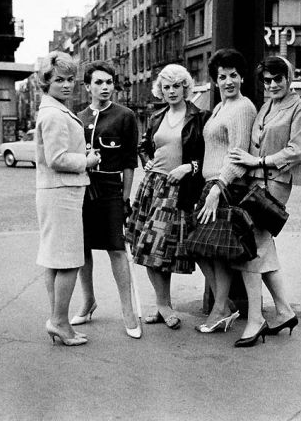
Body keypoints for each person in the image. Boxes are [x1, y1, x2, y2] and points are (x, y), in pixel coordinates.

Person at [229, 55, 301, 347]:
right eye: (267, 80)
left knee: (251, 248)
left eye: (278, 79)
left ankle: (255, 319)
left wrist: (259, 161)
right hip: (254, 182)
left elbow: (297, 150)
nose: (273, 84)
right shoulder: (265, 106)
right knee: (262, 248)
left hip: (276, 183)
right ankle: (284, 311)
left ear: (289, 79)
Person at [125, 64, 207, 330]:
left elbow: (206, 155)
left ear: (186, 87)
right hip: (152, 187)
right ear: (161, 90)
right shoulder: (157, 116)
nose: (171, 91)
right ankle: (163, 305)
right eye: (166, 87)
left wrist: (189, 167)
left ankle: (163, 306)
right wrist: (147, 161)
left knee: (162, 248)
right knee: (150, 248)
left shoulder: (198, 117)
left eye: (176, 86)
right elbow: (144, 145)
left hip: (177, 190)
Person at [34, 51, 101, 346]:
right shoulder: (53, 114)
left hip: (55, 192)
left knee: (54, 260)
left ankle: (57, 318)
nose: (66, 85)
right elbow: (57, 158)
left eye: (70, 79)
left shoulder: (53, 110)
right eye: (59, 80)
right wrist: (87, 160)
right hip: (62, 192)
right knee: (69, 262)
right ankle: (60, 321)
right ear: (46, 82)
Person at [72, 61, 141, 339]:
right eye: (99, 83)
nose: (105, 87)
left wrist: (125, 198)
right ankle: (88, 301)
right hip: (84, 188)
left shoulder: (125, 116)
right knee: (83, 248)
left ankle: (128, 310)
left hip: (111, 188)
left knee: (116, 248)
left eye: (109, 82)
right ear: (87, 86)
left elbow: (128, 162)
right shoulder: (78, 117)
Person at [195, 48, 257, 334]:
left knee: (215, 250)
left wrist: (219, 186)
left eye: (233, 75)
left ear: (242, 77)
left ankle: (221, 308)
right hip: (211, 184)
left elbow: (238, 153)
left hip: (225, 185)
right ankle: (226, 305)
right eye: (222, 76)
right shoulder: (221, 107)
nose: (228, 81)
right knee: (200, 248)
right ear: (215, 80)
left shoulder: (243, 107)